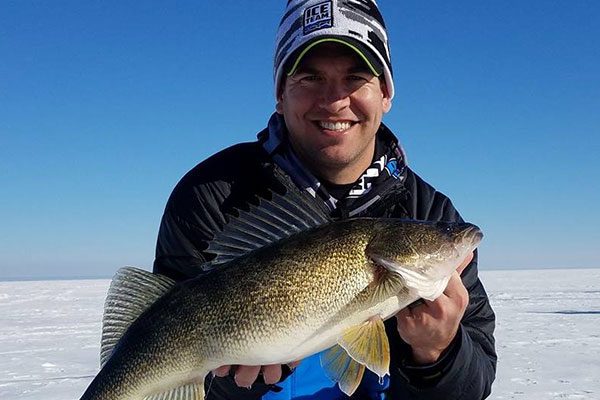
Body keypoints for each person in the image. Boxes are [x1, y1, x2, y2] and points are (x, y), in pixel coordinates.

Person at [153, 1, 497, 399]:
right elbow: (163, 347)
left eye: (355, 78)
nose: (334, 100)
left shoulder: (426, 210)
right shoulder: (211, 194)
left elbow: (476, 382)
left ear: (385, 93)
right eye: (310, 77)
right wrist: (232, 379)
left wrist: (438, 352)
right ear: (280, 93)